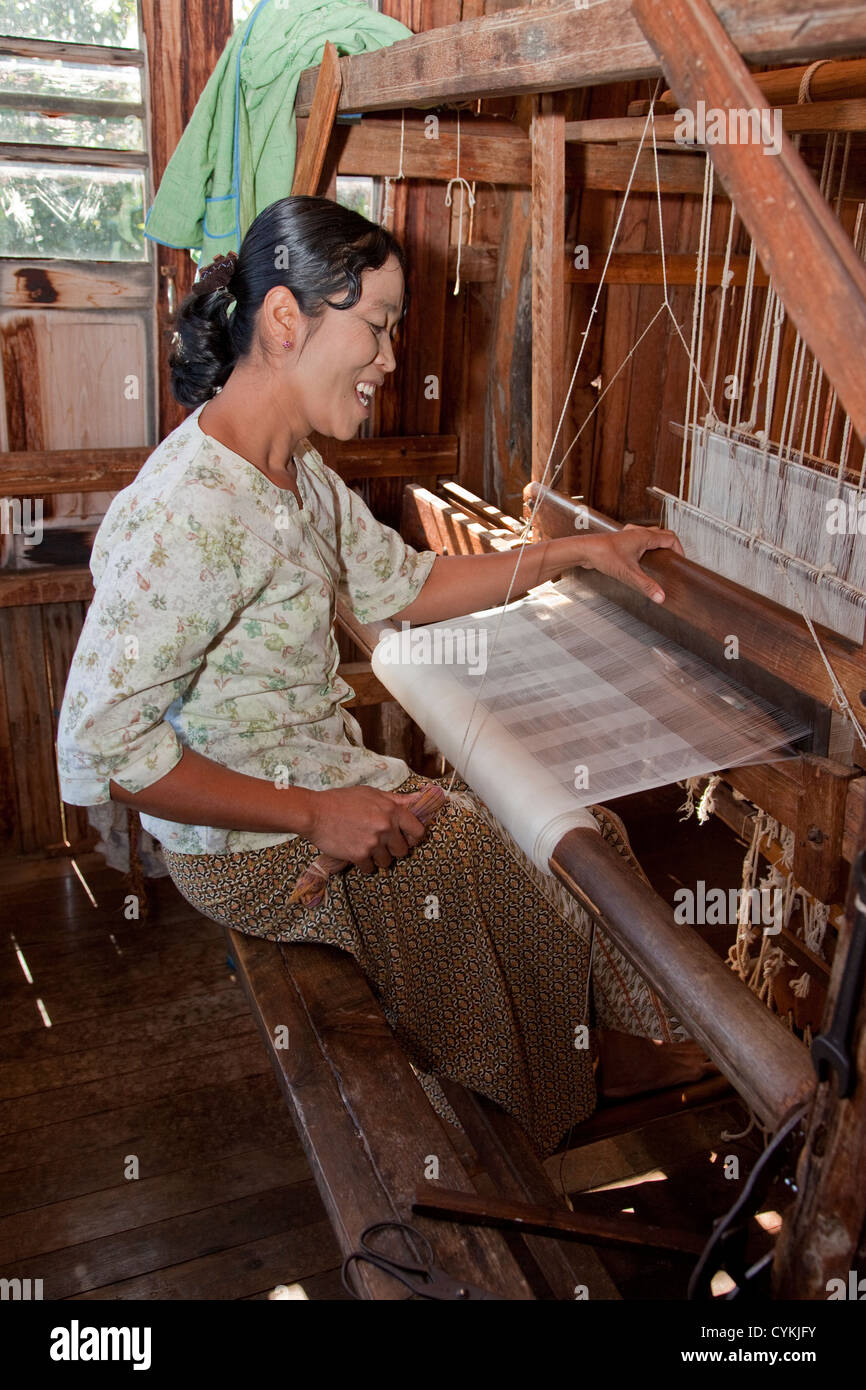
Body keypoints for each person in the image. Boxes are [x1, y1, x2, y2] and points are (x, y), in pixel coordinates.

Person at [57, 194, 701, 1157]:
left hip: (309, 792)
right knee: (481, 859)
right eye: (379, 327)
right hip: (244, 846)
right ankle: (534, 1107)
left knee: (581, 827)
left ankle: (625, 1044)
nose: (392, 362)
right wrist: (316, 815)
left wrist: (571, 557)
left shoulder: (296, 473)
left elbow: (406, 585)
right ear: (286, 320)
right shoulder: (187, 511)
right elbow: (102, 749)